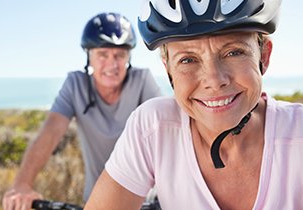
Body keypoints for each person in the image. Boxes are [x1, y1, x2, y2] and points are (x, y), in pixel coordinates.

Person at [85, 1, 303, 209]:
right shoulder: (153, 129)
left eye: (234, 52)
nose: (214, 81)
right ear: (168, 70)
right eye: (187, 60)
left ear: (263, 56)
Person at [2, 12, 161, 210]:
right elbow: (50, 132)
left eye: (120, 55)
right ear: (89, 56)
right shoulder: (75, 84)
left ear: (128, 57)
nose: (112, 64)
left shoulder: (142, 80)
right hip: (97, 201)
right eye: (103, 54)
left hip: (145, 200)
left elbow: (165, 132)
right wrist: (22, 184)